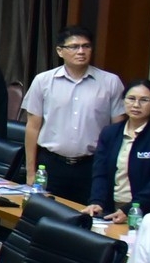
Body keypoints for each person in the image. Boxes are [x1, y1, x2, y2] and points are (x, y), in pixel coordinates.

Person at [22, 25, 126, 204]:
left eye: (86, 46)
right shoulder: (43, 81)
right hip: (51, 165)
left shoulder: (111, 82)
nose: (81, 51)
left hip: (92, 165)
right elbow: (32, 128)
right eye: (74, 47)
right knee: (46, 213)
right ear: (60, 51)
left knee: (89, 215)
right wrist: (30, 172)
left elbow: (118, 130)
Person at [89, 79, 150, 218]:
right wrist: (97, 201)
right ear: (123, 102)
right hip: (109, 209)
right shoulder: (110, 133)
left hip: (146, 212)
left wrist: (130, 209)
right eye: (131, 99)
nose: (136, 105)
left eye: (144, 100)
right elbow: (100, 172)